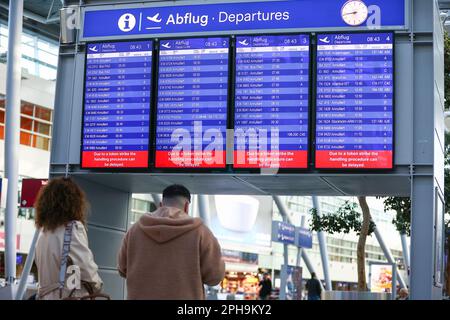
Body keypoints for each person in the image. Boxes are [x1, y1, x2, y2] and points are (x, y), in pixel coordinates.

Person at [118, 184, 225, 299]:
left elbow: (122, 270)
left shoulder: (135, 231)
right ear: (186, 207)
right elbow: (214, 277)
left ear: (160, 205)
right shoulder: (201, 232)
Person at [34, 177, 103, 300]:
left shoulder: (43, 233)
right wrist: (97, 284)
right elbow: (85, 268)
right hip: (66, 296)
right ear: (74, 202)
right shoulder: (72, 228)